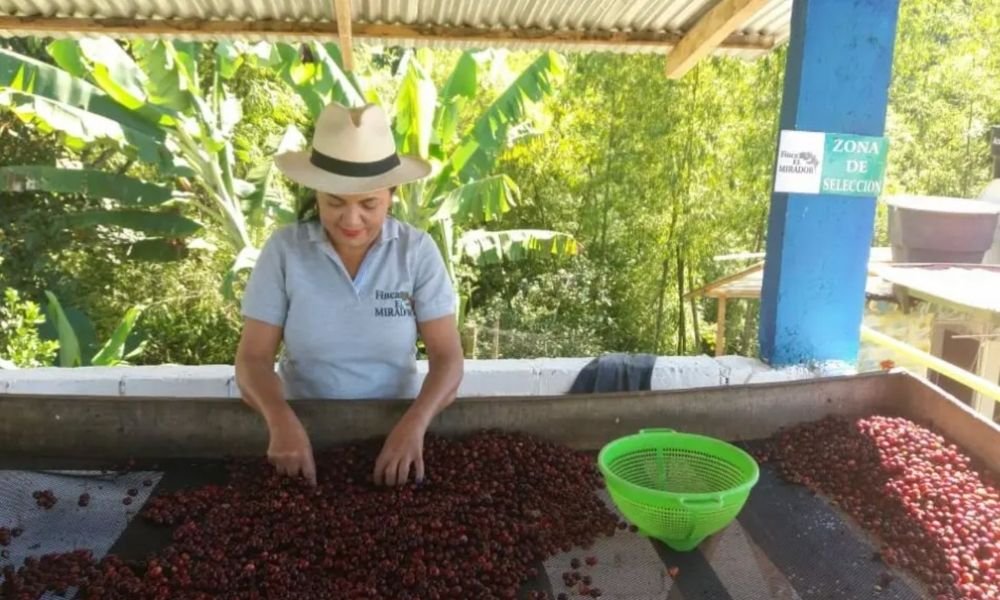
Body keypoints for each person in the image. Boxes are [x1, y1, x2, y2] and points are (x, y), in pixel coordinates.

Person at [234, 102, 464, 487]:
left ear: (392, 195)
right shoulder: (285, 251)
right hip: (301, 443)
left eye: (369, 204)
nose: (352, 220)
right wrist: (279, 419)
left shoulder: (417, 252)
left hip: (401, 438)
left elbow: (448, 359)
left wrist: (415, 425)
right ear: (316, 195)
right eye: (334, 202)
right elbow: (253, 359)